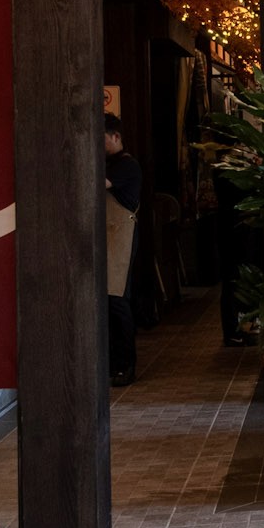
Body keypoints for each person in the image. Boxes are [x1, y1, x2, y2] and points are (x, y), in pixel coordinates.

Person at [104, 113, 142, 385]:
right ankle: (114, 364)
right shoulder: (110, 163)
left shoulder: (127, 165)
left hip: (121, 236)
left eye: (101, 139)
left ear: (115, 136)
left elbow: (98, 183)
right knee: (109, 302)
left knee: (118, 300)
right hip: (108, 237)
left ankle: (126, 366)